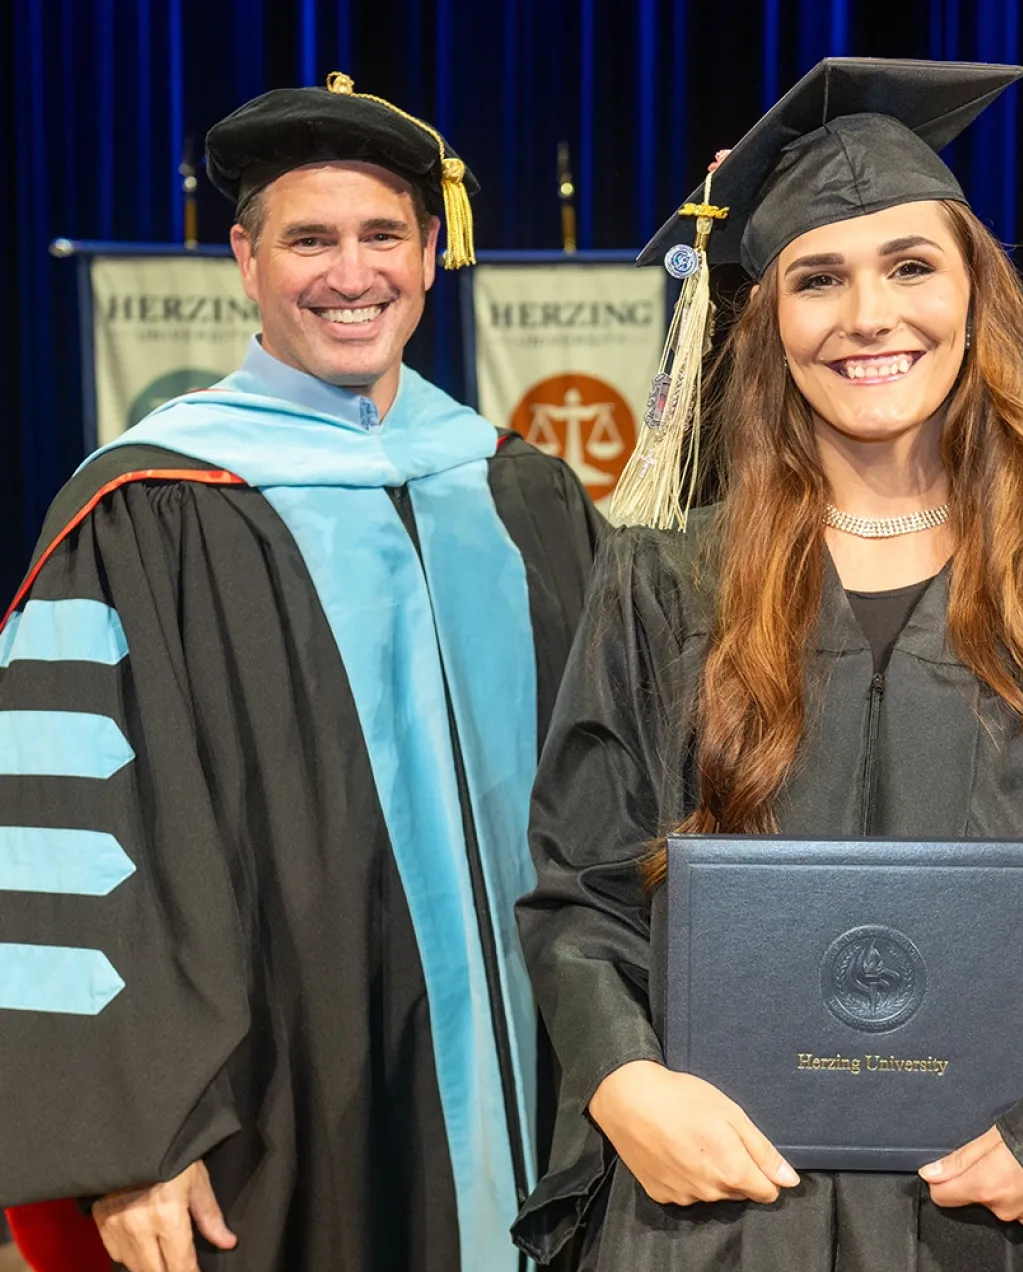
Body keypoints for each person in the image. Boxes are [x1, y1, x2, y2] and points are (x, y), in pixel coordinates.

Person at [511, 58, 1023, 1271]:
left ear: (977, 296)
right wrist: (620, 1080)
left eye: (912, 266)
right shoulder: (662, 592)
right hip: (717, 1224)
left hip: (989, 1226)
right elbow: (581, 897)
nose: (869, 316)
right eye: (819, 278)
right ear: (768, 326)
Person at [0, 72, 601, 1272]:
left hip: (552, 1089)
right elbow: (68, 842)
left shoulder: (516, 490)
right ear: (245, 257)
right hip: (287, 1107)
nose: (351, 273)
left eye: (384, 236)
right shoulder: (146, 506)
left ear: (433, 253)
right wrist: (131, 1136)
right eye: (309, 240)